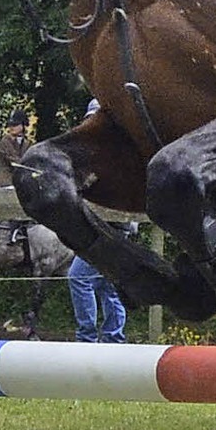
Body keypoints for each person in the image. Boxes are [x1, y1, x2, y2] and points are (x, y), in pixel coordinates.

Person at [67, 99, 136, 343]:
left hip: (108, 229)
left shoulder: (110, 153)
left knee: (78, 277)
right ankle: (113, 339)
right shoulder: (108, 150)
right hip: (111, 227)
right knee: (108, 285)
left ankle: (87, 338)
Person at [0, 109, 32, 187]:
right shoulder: (5, 142)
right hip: (6, 183)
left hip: (21, 183)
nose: (11, 127)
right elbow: (16, 162)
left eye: (15, 125)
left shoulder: (27, 143)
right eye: (10, 125)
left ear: (23, 125)